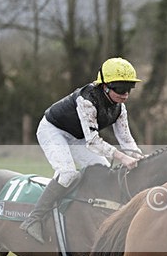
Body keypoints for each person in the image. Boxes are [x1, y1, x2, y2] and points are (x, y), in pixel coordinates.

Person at [20, 57, 145, 243]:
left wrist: (141, 157)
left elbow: (127, 141)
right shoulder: (87, 100)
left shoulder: (120, 108)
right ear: (105, 86)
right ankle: (33, 219)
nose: (125, 94)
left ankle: (88, 212)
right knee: (68, 174)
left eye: (129, 88)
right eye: (120, 88)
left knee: (103, 174)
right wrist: (122, 158)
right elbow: (93, 141)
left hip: (78, 138)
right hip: (53, 131)